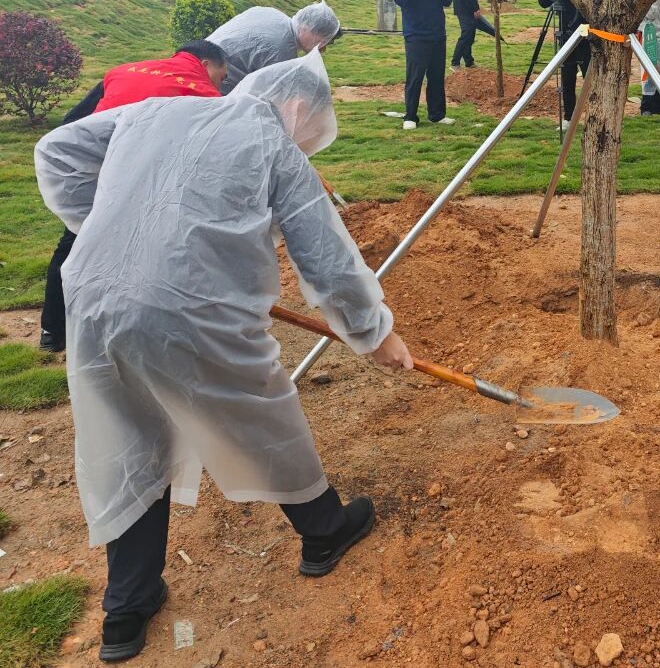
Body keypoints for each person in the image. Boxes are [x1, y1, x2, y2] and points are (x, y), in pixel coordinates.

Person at [34, 50, 414, 663]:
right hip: (192, 306)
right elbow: (326, 255)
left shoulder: (157, 110)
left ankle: (126, 611)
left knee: (126, 432)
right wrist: (375, 335)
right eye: (310, 127)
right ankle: (323, 533)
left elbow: (56, 153)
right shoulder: (270, 137)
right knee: (259, 411)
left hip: (94, 296)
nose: (306, 139)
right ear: (294, 108)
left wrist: (112, 233)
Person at [37, 41, 230, 354]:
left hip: (90, 169)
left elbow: (71, 124)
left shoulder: (122, 71)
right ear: (206, 65)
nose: (220, 84)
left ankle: (52, 329)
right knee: (154, 245)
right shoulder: (203, 92)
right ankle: (144, 330)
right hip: (137, 174)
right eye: (221, 77)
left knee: (75, 241)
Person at [206, 1, 342, 93]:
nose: (323, 49)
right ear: (311, 29)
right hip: (213, 84)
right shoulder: (281, 51)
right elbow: (271, 95)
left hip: (196, 60)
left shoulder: (272, 13)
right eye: (324, 42)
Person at [394, 0, 454, 129]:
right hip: (416, 33)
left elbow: (445, 2)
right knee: (415, 76)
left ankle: (437, 114)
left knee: (437, 75)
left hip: (437, 31)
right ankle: (410, 116)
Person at [538, 0, 591, 128]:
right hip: (565, 34)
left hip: (586, 35)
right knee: (567, 78)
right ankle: (569, 117)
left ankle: (593, 115)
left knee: (589, 76)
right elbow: (544, 2)